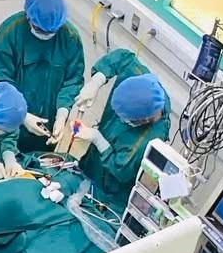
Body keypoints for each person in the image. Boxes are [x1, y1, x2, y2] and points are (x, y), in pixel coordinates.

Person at [72, 49, 171, 210]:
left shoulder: (150, 136)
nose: (119, 120)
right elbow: (123, 58)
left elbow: (121, 170)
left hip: (110, 189)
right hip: (92, 164)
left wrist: (98, 139)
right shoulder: (140, 81)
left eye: (125, 119)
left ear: (143, 120)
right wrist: (96, 82)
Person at [0, 0, 85, 152]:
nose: (45, 35)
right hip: (8, 118)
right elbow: (0, 81)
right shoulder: (9, 33)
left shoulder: (70, 38)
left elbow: (72, 81)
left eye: (51, 32)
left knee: (39, 164)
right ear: (28, 16)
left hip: (46, 124)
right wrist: (22, 116)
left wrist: (62, 115)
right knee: (5, 160)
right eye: (40, 29)